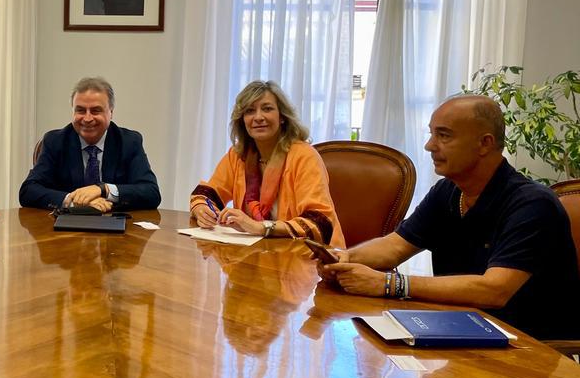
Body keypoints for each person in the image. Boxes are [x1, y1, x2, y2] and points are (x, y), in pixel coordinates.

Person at [320, 94, 580, 340]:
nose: (429, 146)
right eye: (431, 134)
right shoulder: (449, 190)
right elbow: (396, 245)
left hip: (527, 349)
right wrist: (344, 258)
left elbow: (494, 290)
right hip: (460, 329)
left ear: (485, 144)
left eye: (443, 135)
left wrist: (390, 284)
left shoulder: (532, 204)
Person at [189, 80, 344, 246]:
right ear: (242, 120)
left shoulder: (304, 156)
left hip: (312, 259)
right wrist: (201, 210)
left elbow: (320, 222)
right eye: (249, 111)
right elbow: (207, 193)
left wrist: (262, 227)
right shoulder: (238, 155)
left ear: (282, 117)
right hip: (257, 254)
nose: (258, 117)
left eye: (267, 108)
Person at [19, 76, 161, 211]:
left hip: (115, 227)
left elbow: (151, 192)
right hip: (65, 229)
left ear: (111, 112)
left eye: (95, 110)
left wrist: (103, 189)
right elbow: (28, 191)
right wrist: (73, 201)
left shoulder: (129, 142)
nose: (87, 118)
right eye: (80, 110)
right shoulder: (55, 141)